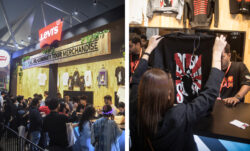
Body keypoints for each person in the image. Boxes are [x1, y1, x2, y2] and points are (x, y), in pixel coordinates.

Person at [130, 35, 227, 151]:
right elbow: (209, 94)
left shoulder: (135, 108)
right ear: (168, 95)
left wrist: (149, 50)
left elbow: (135, 80)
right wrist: (216, 55)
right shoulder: (178, 116)